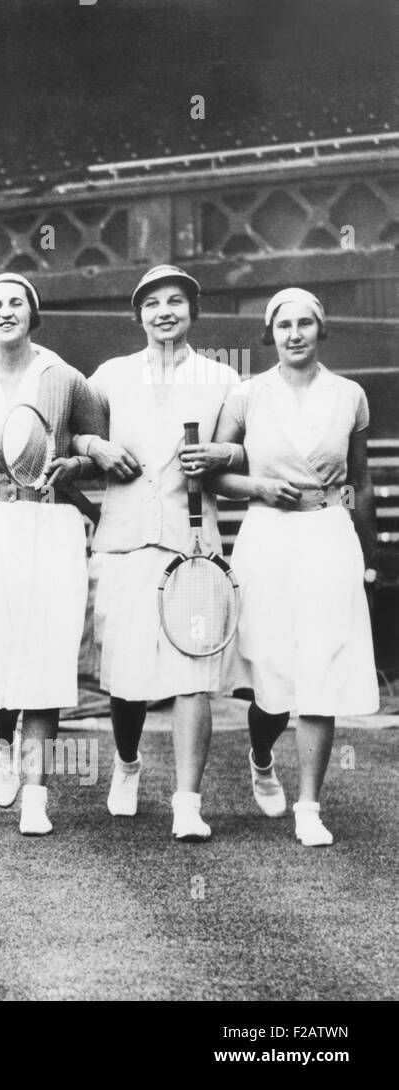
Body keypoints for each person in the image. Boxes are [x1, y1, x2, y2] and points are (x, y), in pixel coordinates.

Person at [72, 264, 243, 841]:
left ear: (193, 312)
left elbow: (248, 448)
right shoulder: (110, 376)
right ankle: (126, 763)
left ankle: (187, 801)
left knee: (193, 674)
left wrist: (223, 452)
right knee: (126, 679)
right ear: (138, 315)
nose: (164, 311)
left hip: (193, 545)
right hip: (123, 543)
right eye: (153, 304)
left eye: (176, 302)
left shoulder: (223, 379)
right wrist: (97, 445)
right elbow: (73, 432)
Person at [209, 288, 377, 846]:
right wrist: (259, 485)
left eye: (306, 323)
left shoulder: (349, 395)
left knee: (320, 673)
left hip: (328, 535)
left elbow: (360, 481)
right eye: (284, 325)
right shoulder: (247, 394)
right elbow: (215, 474)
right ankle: (261, 754)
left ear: (320, 329)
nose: (296, 333)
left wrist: (368, 550)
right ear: (270, 334)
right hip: (267, 537)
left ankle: (310, 807)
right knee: (270, 678)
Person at [0, 274, 105, 835]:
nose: (6, 312)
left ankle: (37, 793)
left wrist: (78, 463)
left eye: (16, 303)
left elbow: (92, 447)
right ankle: (2, 740)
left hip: (49, 528)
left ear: (33, 314)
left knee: (44, 658)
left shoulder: (67, 378)